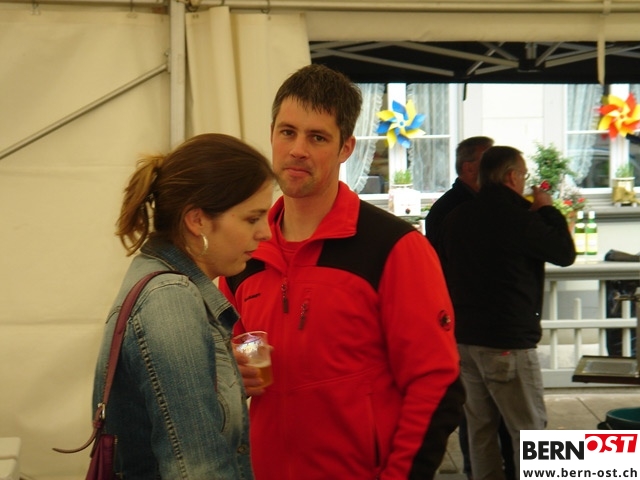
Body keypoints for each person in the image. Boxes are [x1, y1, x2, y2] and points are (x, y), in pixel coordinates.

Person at [219, 64, 465, 480]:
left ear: (346, 148)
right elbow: (227, 355)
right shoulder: (246, 252)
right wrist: (231, 372)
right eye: (288, 132)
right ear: (272, 135)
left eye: (317, 137)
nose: (298, 149)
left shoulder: (394, 248)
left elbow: (437, 385)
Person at [91, 133, 274, 478]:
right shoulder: (171, 301)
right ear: (197, 220)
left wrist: (223, 376)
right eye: (252, 218)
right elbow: (199, 468)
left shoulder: (161, 278)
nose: (265, 232)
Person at [439, 145, 576, 480]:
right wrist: (547, 209)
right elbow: (563, 253)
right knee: (529, 431)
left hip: (464, 340)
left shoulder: (457, 217)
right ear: (512, 176)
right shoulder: (518, 217)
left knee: (480, 431)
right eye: (524, 175)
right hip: (507, 341)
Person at [424, 136, 515, 480]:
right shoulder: (454, 209)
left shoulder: (476, 204)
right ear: (468, 168)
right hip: (469, 323)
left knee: (486, 416)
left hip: (476, 321)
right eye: (487, 161)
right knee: (483, 416)